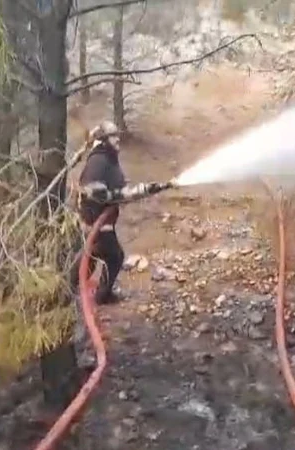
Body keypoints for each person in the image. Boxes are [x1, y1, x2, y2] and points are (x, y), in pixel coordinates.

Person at [70, 120, 174, 370]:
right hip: (95, 222)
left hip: (99, 222)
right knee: (113, 256)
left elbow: (120, 190)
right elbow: (94, 192)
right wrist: (119, 197)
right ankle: (97, 295)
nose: (119, 140)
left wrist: (150, 189)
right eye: (114, 137)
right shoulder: (98, 161)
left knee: (96, 257)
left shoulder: (107, 159)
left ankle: (73, 289)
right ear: (104, 139)